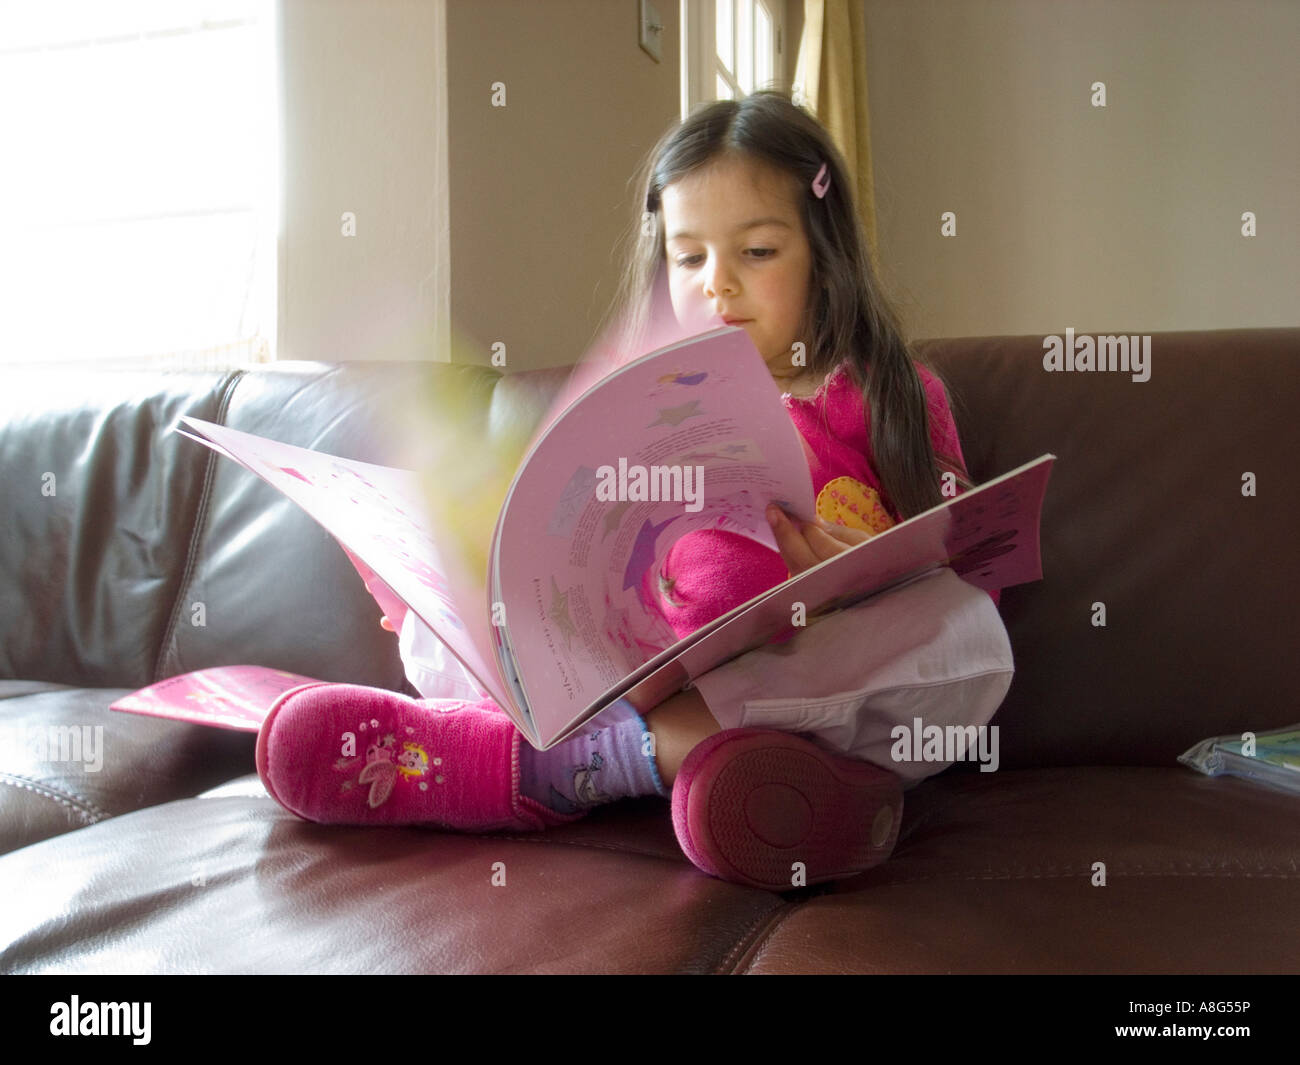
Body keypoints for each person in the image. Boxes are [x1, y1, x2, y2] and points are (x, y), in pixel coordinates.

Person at [255, 91, 1013, 891]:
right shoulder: (630, 400)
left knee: (967, 636)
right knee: (462, 620)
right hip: (634, 666)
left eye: (757, 252)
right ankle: (676, 758)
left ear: (824, 255)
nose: (717, 285)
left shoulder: (894, 394)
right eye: (689, 258)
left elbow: (975, 579)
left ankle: (557, 760)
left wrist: (879, 571)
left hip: (803, 670)